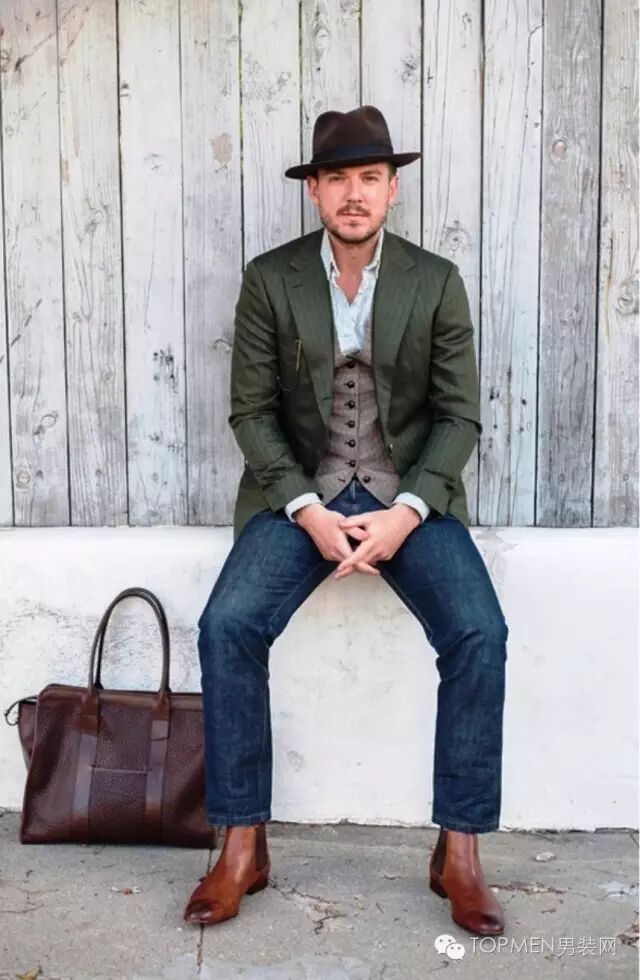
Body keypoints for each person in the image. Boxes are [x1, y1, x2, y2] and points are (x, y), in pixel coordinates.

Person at [184, 105, 508, 936]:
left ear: (392, 189)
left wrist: (407, 512)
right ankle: (242, 845)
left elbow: (459, 417)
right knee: (227, 626)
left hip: (408, 499)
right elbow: (252, 412)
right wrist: (305, 509)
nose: (353, 193)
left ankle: (460, 850)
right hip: (301, 494)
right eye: (337, 179)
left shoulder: (435, 280)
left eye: (370, 177)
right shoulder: (272, 278)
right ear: (316, 192)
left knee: (479, 631)